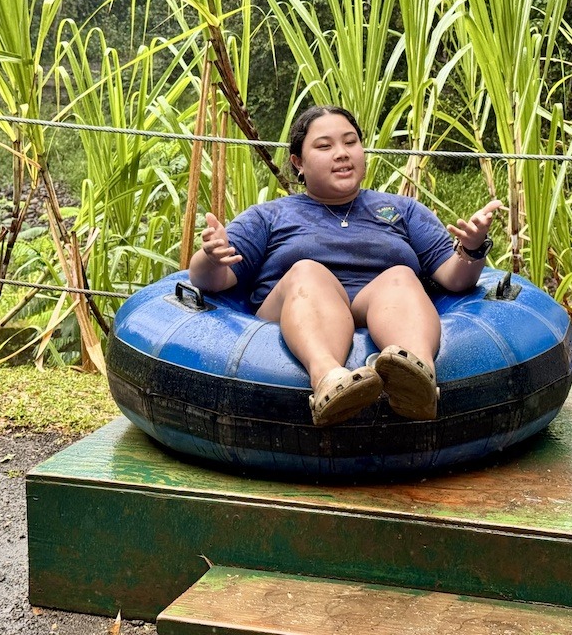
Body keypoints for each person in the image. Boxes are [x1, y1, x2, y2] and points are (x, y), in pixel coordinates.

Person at [188, 105, 503, 427]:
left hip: (379, 305)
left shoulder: (403, 210)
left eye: (350, 142)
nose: (341, 153)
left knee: (400, 275)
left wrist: (472, 247)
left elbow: (455, 280)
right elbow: (209, 280)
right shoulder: (269, 216)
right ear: (298, 162)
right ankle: (328, 380)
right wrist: (210, 256)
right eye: (324, 146)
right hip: (297, 306)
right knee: (308, 271)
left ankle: (417, 380)